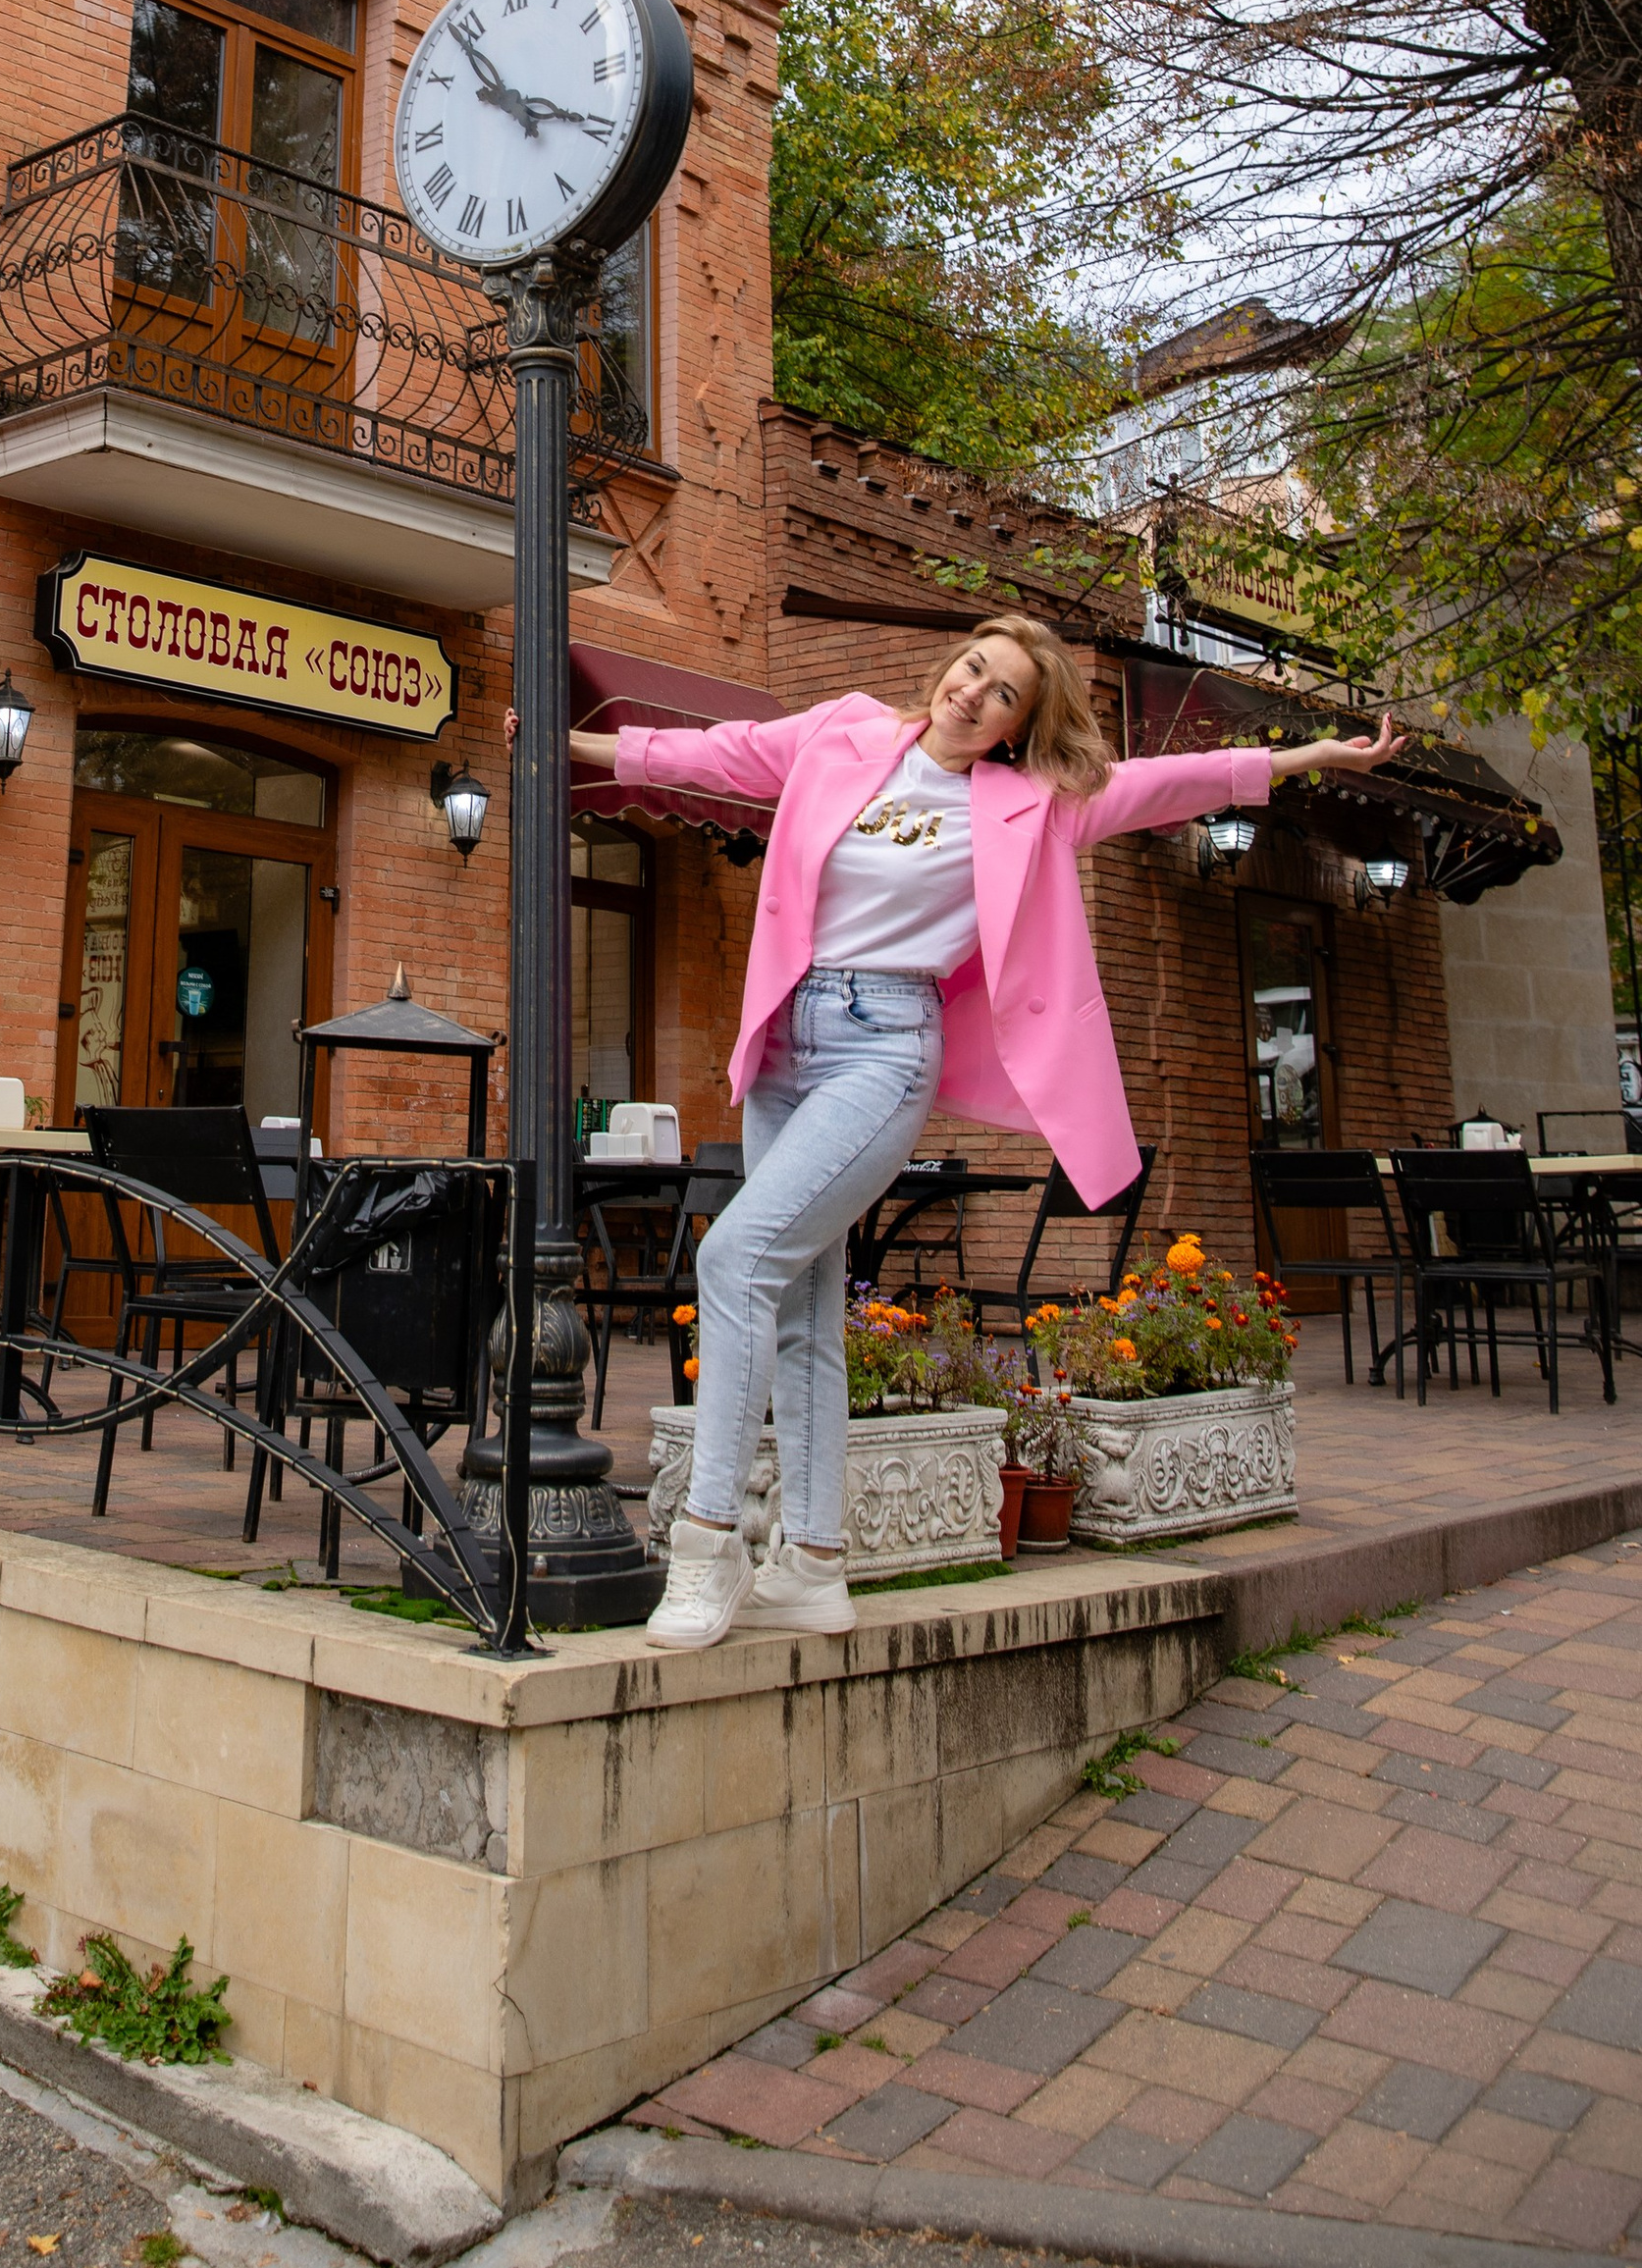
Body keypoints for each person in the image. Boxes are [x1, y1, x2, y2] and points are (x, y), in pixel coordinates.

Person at [529, 617, 1405, 1649]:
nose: (972, 692)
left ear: (1016, 727)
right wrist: (567, 748)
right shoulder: (843, 735)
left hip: (883, 1047)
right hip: (783, 1045)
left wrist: (1304, 757)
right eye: (971, 669)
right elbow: (713, 752)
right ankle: (812, 1562)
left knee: (731, 1263)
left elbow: (1176, 783)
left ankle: (706, 1541)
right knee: (803, 1307)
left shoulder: (1031, 806)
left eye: (1001, 694)